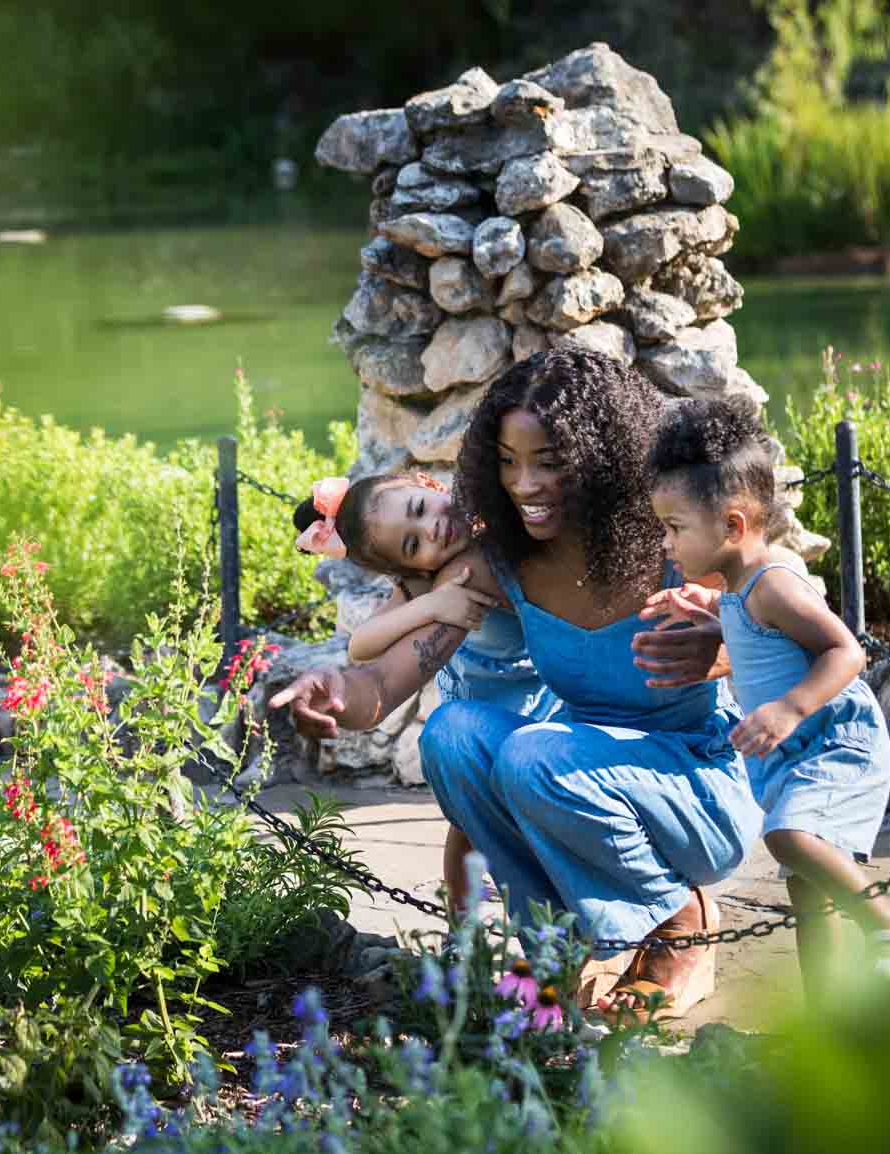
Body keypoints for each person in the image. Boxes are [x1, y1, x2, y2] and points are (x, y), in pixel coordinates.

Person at [273, 349, 762, 1021]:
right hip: (577, 774)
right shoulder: (502, 562)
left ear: (602, 454)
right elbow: (387, 680)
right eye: (507, 462)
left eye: (548, 462)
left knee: (536, 753)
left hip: (692, 791)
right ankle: (559, 949)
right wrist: (333, 692)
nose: (524, 484)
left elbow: (808, 639)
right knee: (453, 736)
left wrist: (730, 646)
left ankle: (680, 922)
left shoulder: (674, 540)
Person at [645, 393, 890, 992]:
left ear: (733, 525)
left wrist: (790, 707)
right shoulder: (741, 586)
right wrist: (713, 617)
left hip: (833, 743)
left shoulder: (772, 583)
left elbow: (847, 650)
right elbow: (759, 641)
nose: (666, 544)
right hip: (798, 754)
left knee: (789, 838)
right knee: (808, 886)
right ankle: (827, 1011)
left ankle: (888, 927)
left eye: (674, 529)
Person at [290, 472, 561, 914]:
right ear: (412, 568)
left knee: (538, 815)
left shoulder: (496, 517)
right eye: (413, 545)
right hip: (481, 706)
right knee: (469, 825)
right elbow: (361, 647)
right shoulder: (432, 581)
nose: (431, 529)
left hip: (540, 694)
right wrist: (431, 605)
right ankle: (462, 924)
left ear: (428, 484)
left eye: (419, 509)